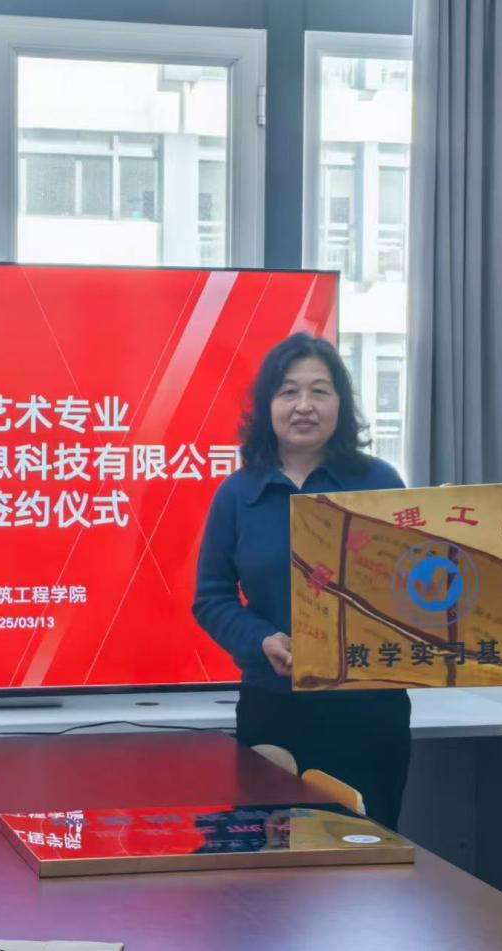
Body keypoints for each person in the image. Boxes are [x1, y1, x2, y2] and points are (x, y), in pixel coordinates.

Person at [192, 333, 412, 829]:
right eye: (288, 392)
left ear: (341, 404)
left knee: (365, 852)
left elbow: (411, 587)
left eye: (320, 391)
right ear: (267, 406)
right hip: (273, 705)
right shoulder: (238, 493)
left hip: (368, 709)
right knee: (270, 854)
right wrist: (261, 639)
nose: (304, 406)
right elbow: (211, 598)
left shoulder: (379, 484)